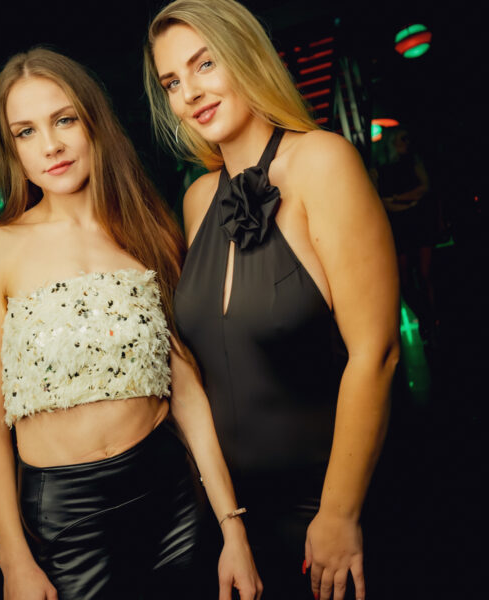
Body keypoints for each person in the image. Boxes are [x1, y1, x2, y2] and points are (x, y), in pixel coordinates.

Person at [0, 47, 262, 600]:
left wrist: (232, 527)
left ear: (93, 122)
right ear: (13, 152)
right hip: (66, 520)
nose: (50, 145)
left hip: (172, 496)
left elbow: (187, 390)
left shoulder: (146, 232)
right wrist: (13, 560)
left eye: (64, 120)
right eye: (26, 132)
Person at [144, 1, 400, 598]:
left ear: (245, 56)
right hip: (236, 522)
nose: (190, 93)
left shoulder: (323, 161)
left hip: (330, 509)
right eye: (172, 82)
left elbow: (377, 353)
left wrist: (339, 513)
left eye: (204, 64)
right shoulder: (197, 199)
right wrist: (227, 521)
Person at [373, 128, 437, 343]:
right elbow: (381, 201)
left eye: (407, 139)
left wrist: (398, 199)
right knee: (404, 279)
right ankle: (423, 317)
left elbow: (424, 188)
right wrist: (404, 202)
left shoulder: (413, 161)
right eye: (402, 139)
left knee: (425, 274)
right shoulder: (381, 168)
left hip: (419, 222)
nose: (406, 142)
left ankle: (432, 321)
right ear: (392, 142)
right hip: (399, 225)